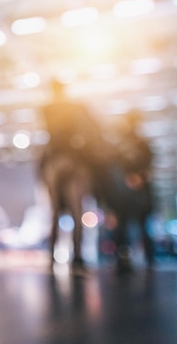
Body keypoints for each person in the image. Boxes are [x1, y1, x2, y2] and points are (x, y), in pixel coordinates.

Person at [39, 79, 110, 271]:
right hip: (74, 161)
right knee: (76, 211)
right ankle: (77, 258)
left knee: (55, 213)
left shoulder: (46, 109)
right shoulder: (76, 108)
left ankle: (52, 258)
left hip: (55, 162)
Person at [110, 110, 155, 273]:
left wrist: (139, 178)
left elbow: (149, 168)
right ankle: (124, 258)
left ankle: (149, 258)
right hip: (125, 194)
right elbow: (114, 169)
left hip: (139, 194)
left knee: (142, 225)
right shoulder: (120, 147)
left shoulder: (142, 145)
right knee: (124, 227)